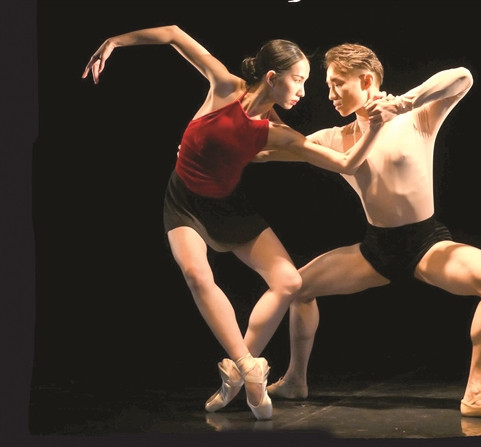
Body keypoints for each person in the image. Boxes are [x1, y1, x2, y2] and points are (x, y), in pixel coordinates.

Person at [81, 26, 383, 420]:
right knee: (196, 274)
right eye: (298, 80)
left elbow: (345, 163)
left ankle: (237, 375)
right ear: (272, 77)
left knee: (289, 282)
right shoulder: (225, 86)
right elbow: (173, 34)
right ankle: (247, 367)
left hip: (226, 204)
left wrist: (374, 126)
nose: (303, 91)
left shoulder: (278, 133)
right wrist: (113, 42)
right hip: (184, 200)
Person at [256, 43, 481, 420]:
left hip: (426, 244)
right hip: (376, 249)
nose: (330, 94)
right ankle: (294, 381)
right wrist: (207, 147)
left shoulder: (416, 117)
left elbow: (462, 77)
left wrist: (403, 103)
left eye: (338, 84)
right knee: (297, 288)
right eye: (328, 86)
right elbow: (266, 152)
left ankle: (477, 393)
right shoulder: (333, 139)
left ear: (366, 80)